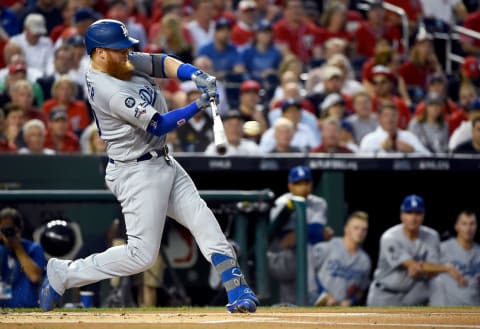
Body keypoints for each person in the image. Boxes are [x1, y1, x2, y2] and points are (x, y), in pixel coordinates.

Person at [39, 19, 259, 314]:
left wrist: (195, 74)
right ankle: (65, 273)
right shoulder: (108, 88)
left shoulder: (119, 62)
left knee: (202, 218)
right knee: (141, 256)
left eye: (126, 48)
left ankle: (238, 288)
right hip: (135, 171)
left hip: (161, 159)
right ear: (100, 53)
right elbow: (158, 124)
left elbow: (160, 61)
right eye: (119, 50)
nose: (126, 53)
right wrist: (197, 105)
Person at [366, 194, 467, 306]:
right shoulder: (389, 237)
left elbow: (432, 272)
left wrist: (424, 273)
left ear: (423, 215)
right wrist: (447, 268)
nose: (413, 218)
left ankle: (440, 318)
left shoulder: (432, 236)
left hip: (411, 292)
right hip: (384, 293)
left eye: (418, 213)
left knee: (437, 282)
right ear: (402, 215)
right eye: (409, 213)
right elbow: (413, 265)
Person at [267, 165, 333, 305]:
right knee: (303, 245)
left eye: (306, 183)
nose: (303, 187)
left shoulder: (319, 203)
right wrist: (311, 234)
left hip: (302, 252)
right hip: (278, 256)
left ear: (311, 184)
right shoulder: (281, 203)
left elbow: (317, 231)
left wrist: (299, 234)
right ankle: (314, 294)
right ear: (290, 186)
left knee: (323, 245)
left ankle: (326, 295)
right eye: (298, 184)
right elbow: (281, 238)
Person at [311, 211, 371, 306]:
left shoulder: (365, 260)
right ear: (346, 229)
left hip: (340, 308)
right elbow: (308, 272)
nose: (360, 232)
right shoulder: (327, 247)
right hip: (316, 303)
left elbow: (361, 289)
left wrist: (351, 300)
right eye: (356, 228)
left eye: (364, 229)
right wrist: (323, 293)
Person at [429, 210, 480, 306]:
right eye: (464, 224)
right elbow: (423, 266)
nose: (468, 228)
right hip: (448, 310)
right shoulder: (443, 248)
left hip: (475, 311)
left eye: (472, 224)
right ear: (456, 226)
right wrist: (446, 268)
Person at [0, 207, 46, 308]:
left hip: (27, 309)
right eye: (3, 230)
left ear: (18, 229)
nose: (6, 233)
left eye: (9, 229)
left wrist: (17, 247)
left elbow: (34, 277)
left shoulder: (33, 248)